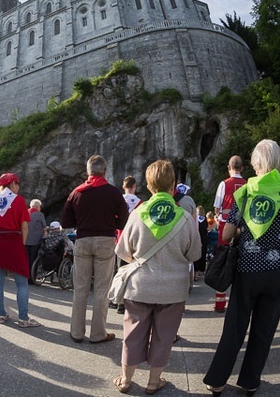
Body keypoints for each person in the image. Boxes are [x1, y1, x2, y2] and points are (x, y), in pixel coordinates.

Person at [204, 139, 280, 395]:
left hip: (249, 268)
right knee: (265, 327)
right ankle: (250, 381)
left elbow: (226, 234)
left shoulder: (248, 189)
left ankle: (217, 380)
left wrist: (241, 231)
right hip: (279, 267)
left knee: (235, 325)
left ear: (257, 163)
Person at [112, 160, 201, 394]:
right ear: (173, 185)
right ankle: (154, 381)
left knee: (132, 333)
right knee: (164, 335)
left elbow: (122, 251)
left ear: (149, 187)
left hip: (140, 286)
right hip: (173, 288)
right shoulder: (184, 217)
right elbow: (195, 254)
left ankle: (125, 379)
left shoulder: (137, 213)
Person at [62, 155, 129, 343]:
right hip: (105, 240)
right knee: (101, 289)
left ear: (88, 172)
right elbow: (124, 220)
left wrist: (81, 221)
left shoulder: (77, 192)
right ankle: (98, 333)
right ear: (105, 171)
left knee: (81, 289)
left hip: (82, 240)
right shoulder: (113, 193)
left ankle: (76, 332)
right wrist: (110, 221)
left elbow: (66, 221)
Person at [0, 172, 40, 327]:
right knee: (21, 282)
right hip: (14, 240)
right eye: (18, 184)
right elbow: (24, 226)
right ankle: (23, 318)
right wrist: (21, 243)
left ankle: (0, 314)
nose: (19, 187)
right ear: (13, 184)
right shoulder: (18, 200)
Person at [212, 155, 247, 313]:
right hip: (244, 229)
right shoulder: (248, 184)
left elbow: (217, 208)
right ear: (243, 168)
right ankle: (240, 303)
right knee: (242, 264)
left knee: (224, 263)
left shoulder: (224, 184)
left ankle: (220, 303)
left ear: (229, 167)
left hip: (225, 228)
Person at [25, 199, 47, 284]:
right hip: (36, 241)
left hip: (25, 240)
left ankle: (25, 277)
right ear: (37, 207)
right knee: (33, 259)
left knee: (26, 259)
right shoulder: (40, 215)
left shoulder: (26, 213)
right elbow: (44, 228)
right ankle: (32, 278)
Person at [195, 205, 209, 280]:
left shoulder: (195, 219)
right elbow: (207, 227)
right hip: (204, 237)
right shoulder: (205, 219)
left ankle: (196, 270)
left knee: (197, 253)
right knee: (203, 253)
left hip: (198, 236)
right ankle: (202, 270)